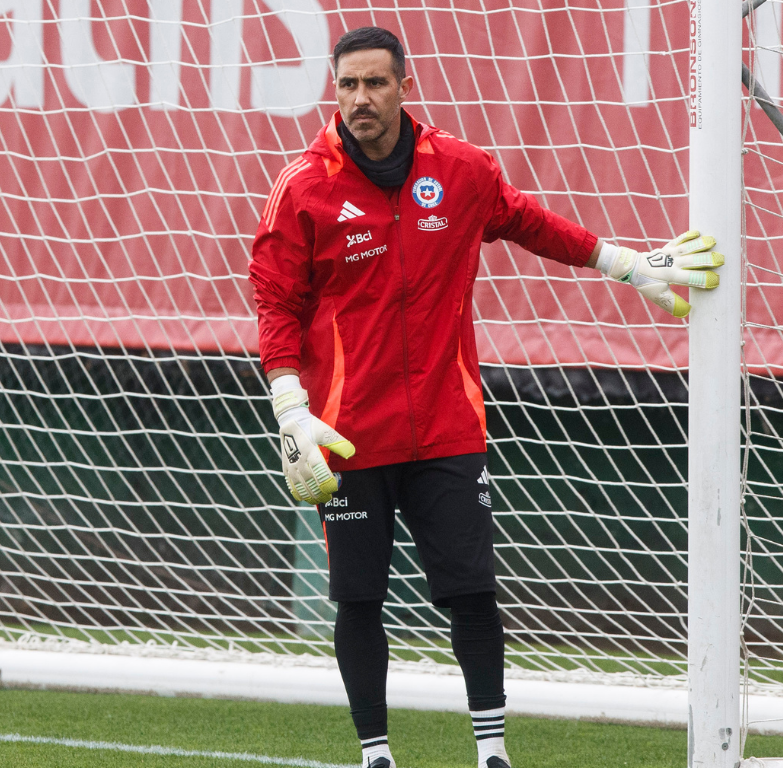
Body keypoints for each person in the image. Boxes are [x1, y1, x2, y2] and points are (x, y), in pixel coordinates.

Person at [249, 26, 724, 768]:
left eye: (375, 83)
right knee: (358, 599)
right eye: (348, 86)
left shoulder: (462, 171)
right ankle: (377, 754)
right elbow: (276, 301)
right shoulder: (304, 186)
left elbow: (532, 223)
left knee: (471, 592)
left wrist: (628, 264)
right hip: (344, 434)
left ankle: (492, 752)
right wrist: (290, 407)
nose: (361, 100)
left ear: (405, 86)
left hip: (447, 427)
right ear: (334, 90)